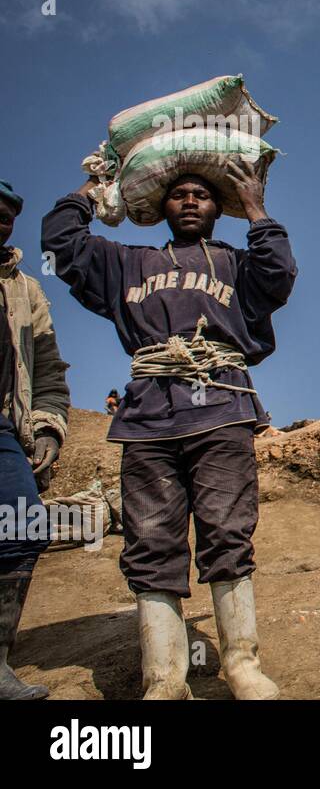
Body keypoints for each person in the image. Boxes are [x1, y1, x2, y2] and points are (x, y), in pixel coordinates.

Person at [42, 161, 296, 700]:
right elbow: (62, 241)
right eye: (178, 194)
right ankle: (163, 678)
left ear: (215, 208)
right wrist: (93, 188)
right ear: (160, 206)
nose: (188, 201)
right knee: (151, 539)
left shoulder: (236, 263)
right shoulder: (128, 263)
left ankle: (242, 665)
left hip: (223, 409)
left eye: (201, 195)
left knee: (227, 530)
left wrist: (255, 207)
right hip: (148, 417)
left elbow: (280, 275)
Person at [0, 180, 71, 700]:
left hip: (3, 427)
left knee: (22, 526)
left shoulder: (25, 289)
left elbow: (46, 368)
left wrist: (47, 425)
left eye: (5, 215)